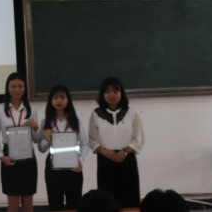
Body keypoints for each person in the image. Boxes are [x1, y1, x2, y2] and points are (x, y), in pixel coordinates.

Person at [88, 76, 144, 208]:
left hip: (127, 159)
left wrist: (125, 152)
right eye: (107, 92)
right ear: (102, 94)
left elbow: (138, 138)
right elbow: (92, 139)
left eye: (115, 91)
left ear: (121, 93)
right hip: (105, 160)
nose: (112, 95)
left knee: (129, 198)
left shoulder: (131, 113)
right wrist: (104, 152)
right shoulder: (96, 114)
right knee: (106, 201)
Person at [0, 72, 41, 212]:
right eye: (13, 86)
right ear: (7, 88)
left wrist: (36, 128)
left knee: (28, 204)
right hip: (9, 157)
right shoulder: (0, 110)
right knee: (13, 205)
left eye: (20, 86)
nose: (17, 90)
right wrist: (1, 156)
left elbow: (36, 139)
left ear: (25, 88)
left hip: (28, 158)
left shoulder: (32, 109)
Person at [37, 84, 88, 211]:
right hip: (53, 167)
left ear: (68, 100)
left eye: (62, 97)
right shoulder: (46, 122)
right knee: (55, 203)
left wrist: (80, 160)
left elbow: (84, 144)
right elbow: (41, 149)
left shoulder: (75, 121)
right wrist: (47, 139)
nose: (59, 101)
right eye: (55, 98)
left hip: (73, 166)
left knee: (75, 202)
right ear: (50, 101)